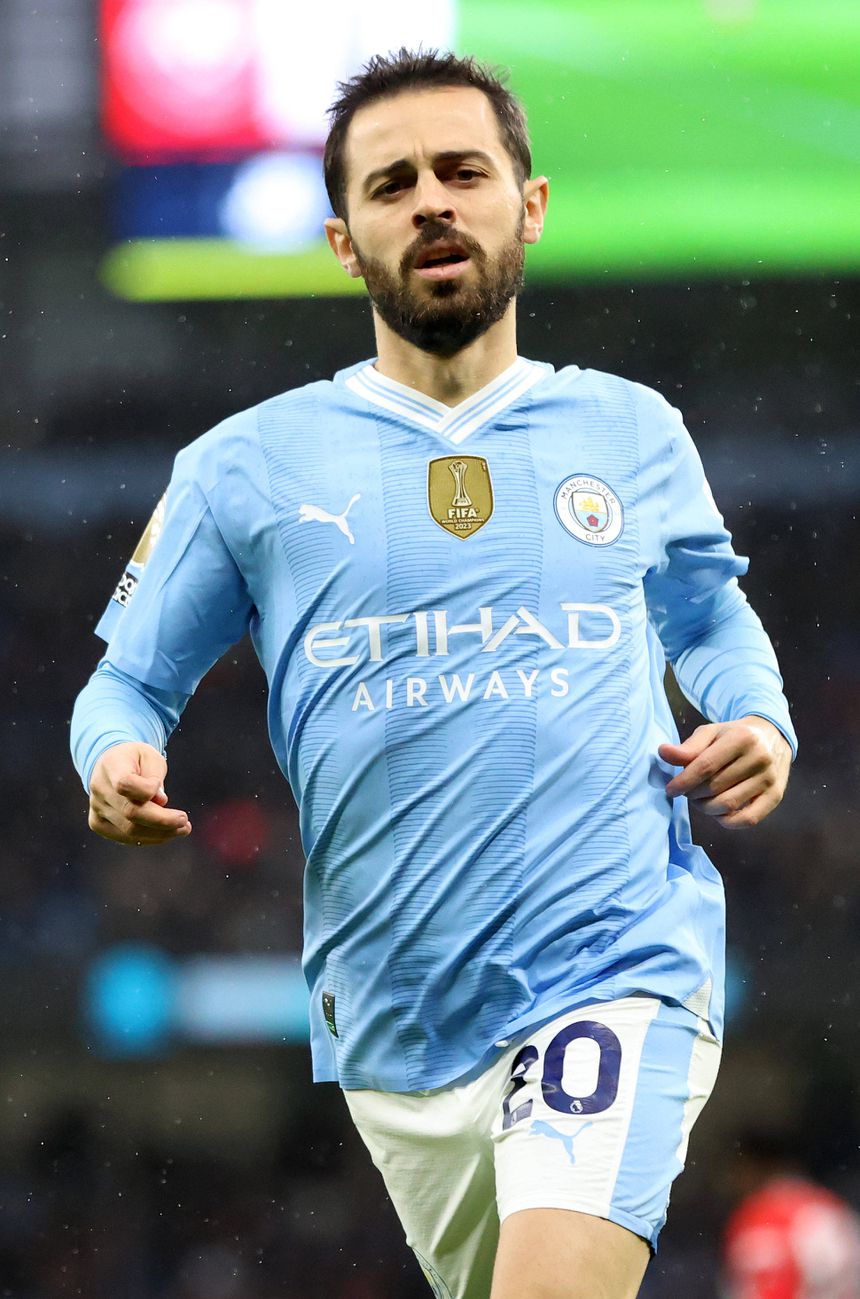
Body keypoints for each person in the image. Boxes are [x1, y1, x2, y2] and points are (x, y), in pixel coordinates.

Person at [71, 48, 796, 1299]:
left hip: (612, 966)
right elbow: (125, 687)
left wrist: (758, 717)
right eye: (391, 184)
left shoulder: (628, 430)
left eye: (462, 171)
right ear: (342, 241)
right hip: (394, 1026)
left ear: (529, 204)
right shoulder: (242, 467)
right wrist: (113, 757)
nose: (431, 203)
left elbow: (707, 617)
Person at [722, 1130, 860, 1298]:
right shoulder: (832, 1206)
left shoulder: (759, 1216)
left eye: (738, 1171)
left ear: (755, 1167)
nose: (732, 1182)